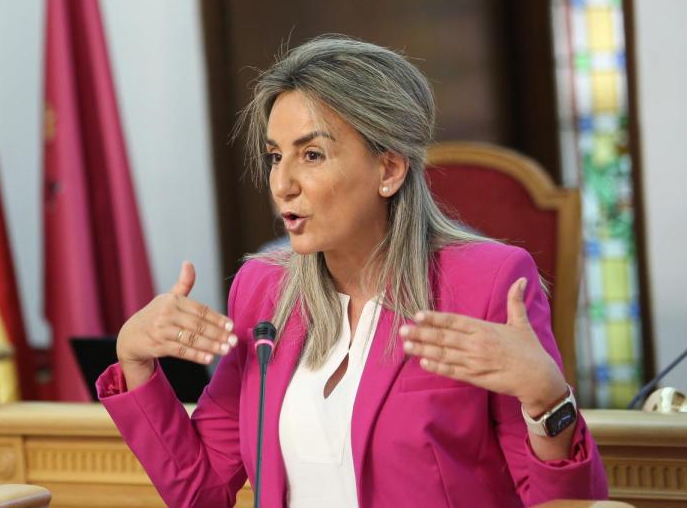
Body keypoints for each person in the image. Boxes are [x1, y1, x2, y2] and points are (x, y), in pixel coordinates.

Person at [96, 35, 608, 507]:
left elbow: (559, 503)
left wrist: (547, 399)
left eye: (312, 155)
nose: (282, 184)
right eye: (276, 157)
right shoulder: (262, 291)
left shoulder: (487, 284)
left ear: (388, 169)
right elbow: (202, 487)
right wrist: (135, 361)